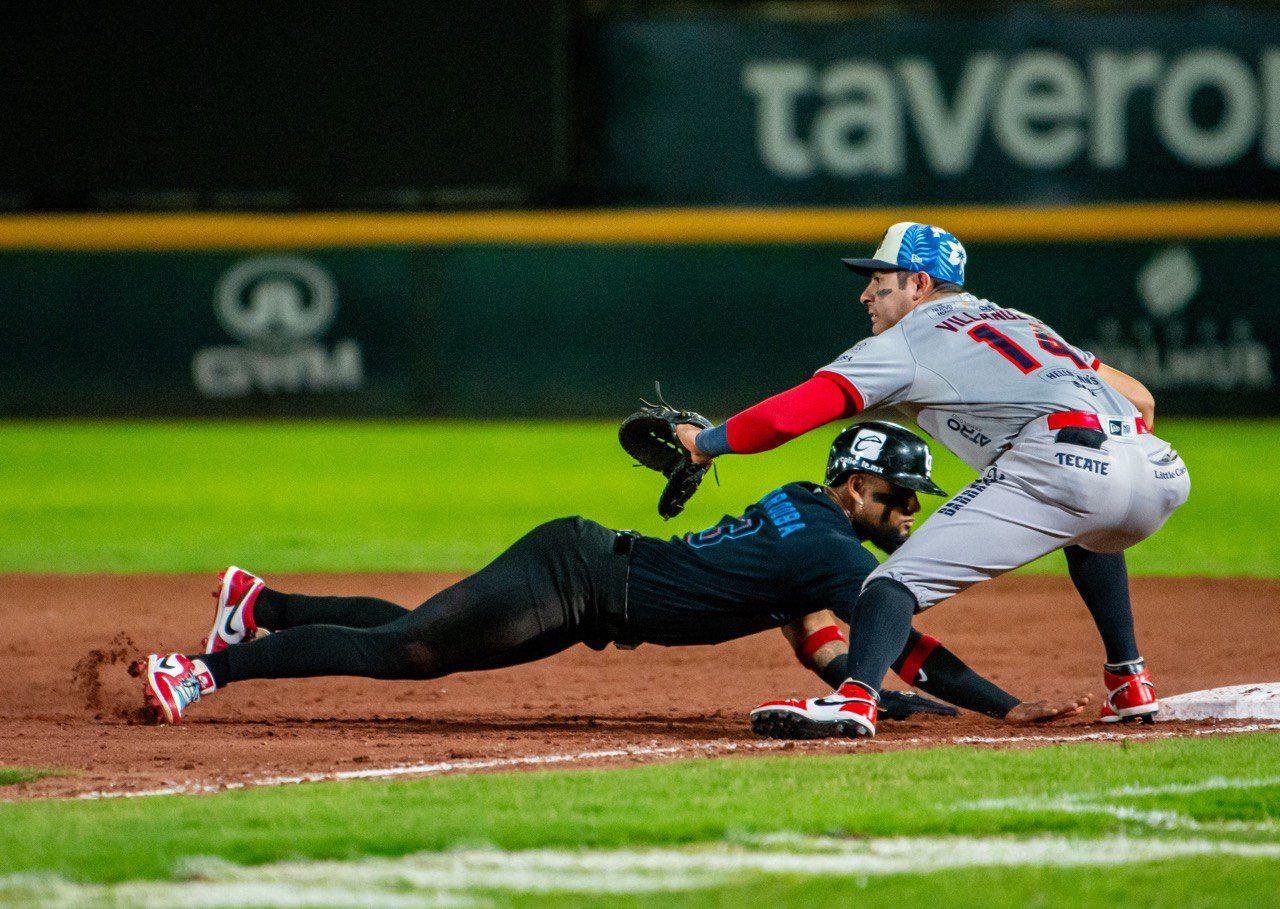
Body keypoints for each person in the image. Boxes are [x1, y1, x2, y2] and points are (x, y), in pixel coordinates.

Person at [136, 421, 1087, 728]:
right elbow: (906, 647)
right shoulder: (832, 549)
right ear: (856, 482)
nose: (911, 513)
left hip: (591, 585)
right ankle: (204, 670)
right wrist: (1003, 709)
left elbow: (829, 651)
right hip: (578, 574)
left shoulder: (808, 510)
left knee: (424, 635)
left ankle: (258, 605)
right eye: (900, 496)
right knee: (409, 649)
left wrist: (889, 700)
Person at [679, 222, 1189, 738]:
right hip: (1157, 467)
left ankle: (854, 702)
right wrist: (1112, 458)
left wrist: (706, 442)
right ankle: (1129, 681)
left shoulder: (912, 339)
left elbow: (786, 418)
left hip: (1060, 462)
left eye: (880, 279)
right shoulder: (1019, 321)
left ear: (918, 284)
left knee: (887, 584)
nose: (866, 292)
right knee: (1090, 530)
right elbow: (1141, 400)